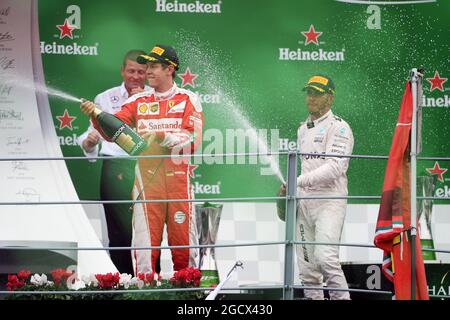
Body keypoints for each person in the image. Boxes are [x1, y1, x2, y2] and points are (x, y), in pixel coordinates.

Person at [80, 44, 203, 275]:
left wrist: (162, 136)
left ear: (170, 69)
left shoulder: (189, 99)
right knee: (144, 252)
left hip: (179, 184)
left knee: (184, 251)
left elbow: (193, 140)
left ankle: (187, 296)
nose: (148, 72)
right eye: (147, 66)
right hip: (147, 185)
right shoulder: (137, 101)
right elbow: (111, 132)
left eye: (154, 66)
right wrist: (96, 116)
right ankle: (144, 293)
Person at [277, 75, 354, 300]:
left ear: (330, 98)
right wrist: (292, 188)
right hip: (305, 202)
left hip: (330, 201)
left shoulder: (339, 128)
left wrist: (297, 181)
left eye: (317, 93)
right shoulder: (302, 129)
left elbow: (335, 168)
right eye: (309, 92)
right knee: (307, 268)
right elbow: (308, 167)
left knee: (326, 258)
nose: (311, 97)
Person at [77, 49, 149, 275]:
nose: (135, 76)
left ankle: (151, 283)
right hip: (115, 166)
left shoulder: (154, 99)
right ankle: (122, 283)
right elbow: (91, 137)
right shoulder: (104, 98)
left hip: (147, 167)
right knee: (118, 232)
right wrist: (89, 142)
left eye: (140, 72)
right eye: (131, 71)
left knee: (149, 231)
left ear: (147, 74)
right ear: (122, 71)